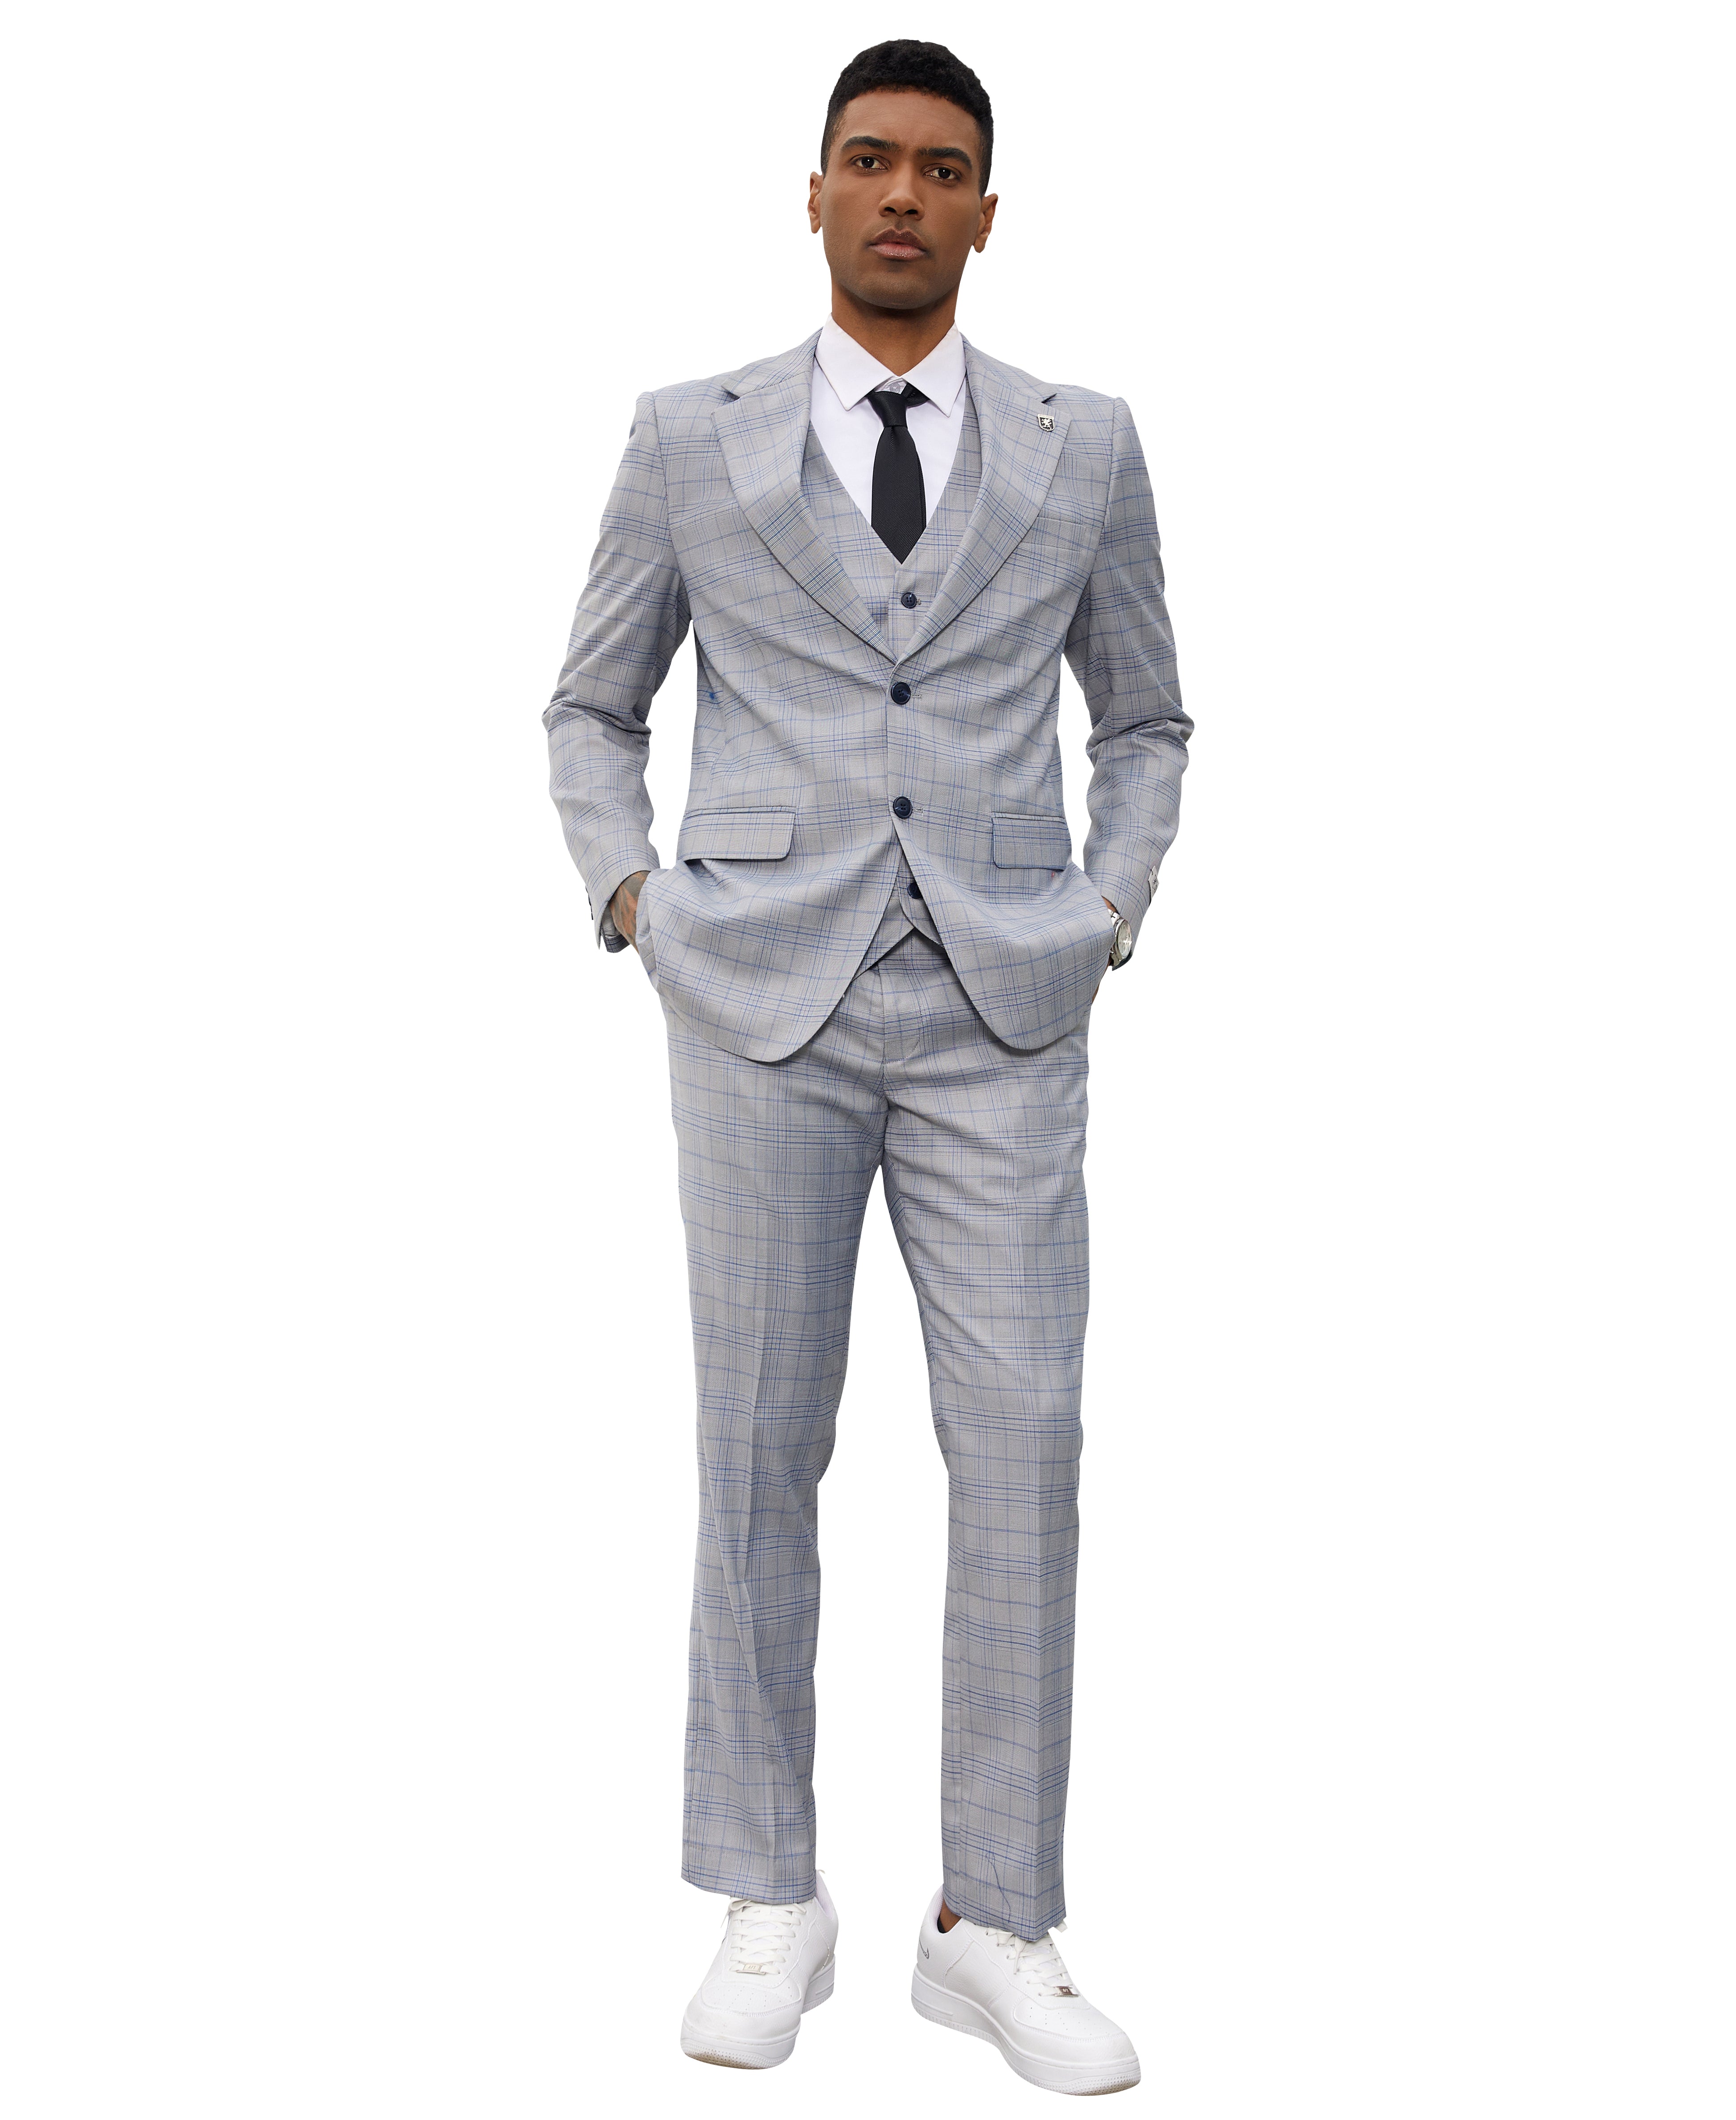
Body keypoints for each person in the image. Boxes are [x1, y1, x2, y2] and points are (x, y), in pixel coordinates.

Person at [543, 39, 1189, 2098]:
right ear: (813, 191)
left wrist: (1106, 906)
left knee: (1025, 1444)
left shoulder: (1084, 447)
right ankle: (768, 1891)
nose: (902, 193)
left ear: (987, 212)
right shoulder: (689, 437)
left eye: (941, 168)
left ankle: (991, 1919)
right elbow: (590, 704)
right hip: (757, 1002)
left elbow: (1144, 717)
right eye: (868, 159)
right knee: (758, 1444)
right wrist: (634, 893)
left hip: (1004, 1005)